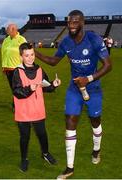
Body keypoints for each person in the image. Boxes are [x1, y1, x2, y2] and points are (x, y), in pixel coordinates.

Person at [35, 10, 112, 179]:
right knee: (70, 122)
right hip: (74, 89)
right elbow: (54, 61)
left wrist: (89, 79)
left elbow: (108, 65)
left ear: (82, 23)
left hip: (93, 89)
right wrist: (36, 54)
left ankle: (96, 150)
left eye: (75, 22)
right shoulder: (66, 42)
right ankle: (70, 167)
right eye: (69, 22)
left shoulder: (94, 39)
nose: (71, 25)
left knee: (95, 122)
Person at [12, 42, 61, 172]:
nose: (30, 58)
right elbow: (16, 91)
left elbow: (45, 86)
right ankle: (24, 159)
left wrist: (53, 85)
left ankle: (45, 153)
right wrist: (29, 88)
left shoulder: (39, 70)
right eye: (27, 55)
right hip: (23, 111)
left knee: (42, 134)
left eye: (32, 54)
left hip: (38, 109)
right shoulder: (17, 71)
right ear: (21, 57)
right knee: (25, 137)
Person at [1, 23, 26, 89]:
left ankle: (20, 99)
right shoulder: (6, 40)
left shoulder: (21, 39)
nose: (6, 30)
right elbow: (3, 53)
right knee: (12, 87)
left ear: (14, 29)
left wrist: (26, 67)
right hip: (8, 69)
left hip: (17, 69)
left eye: (8, 29)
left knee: (19, 88)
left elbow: (26, 54)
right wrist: (3, 66)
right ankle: (16, 98)